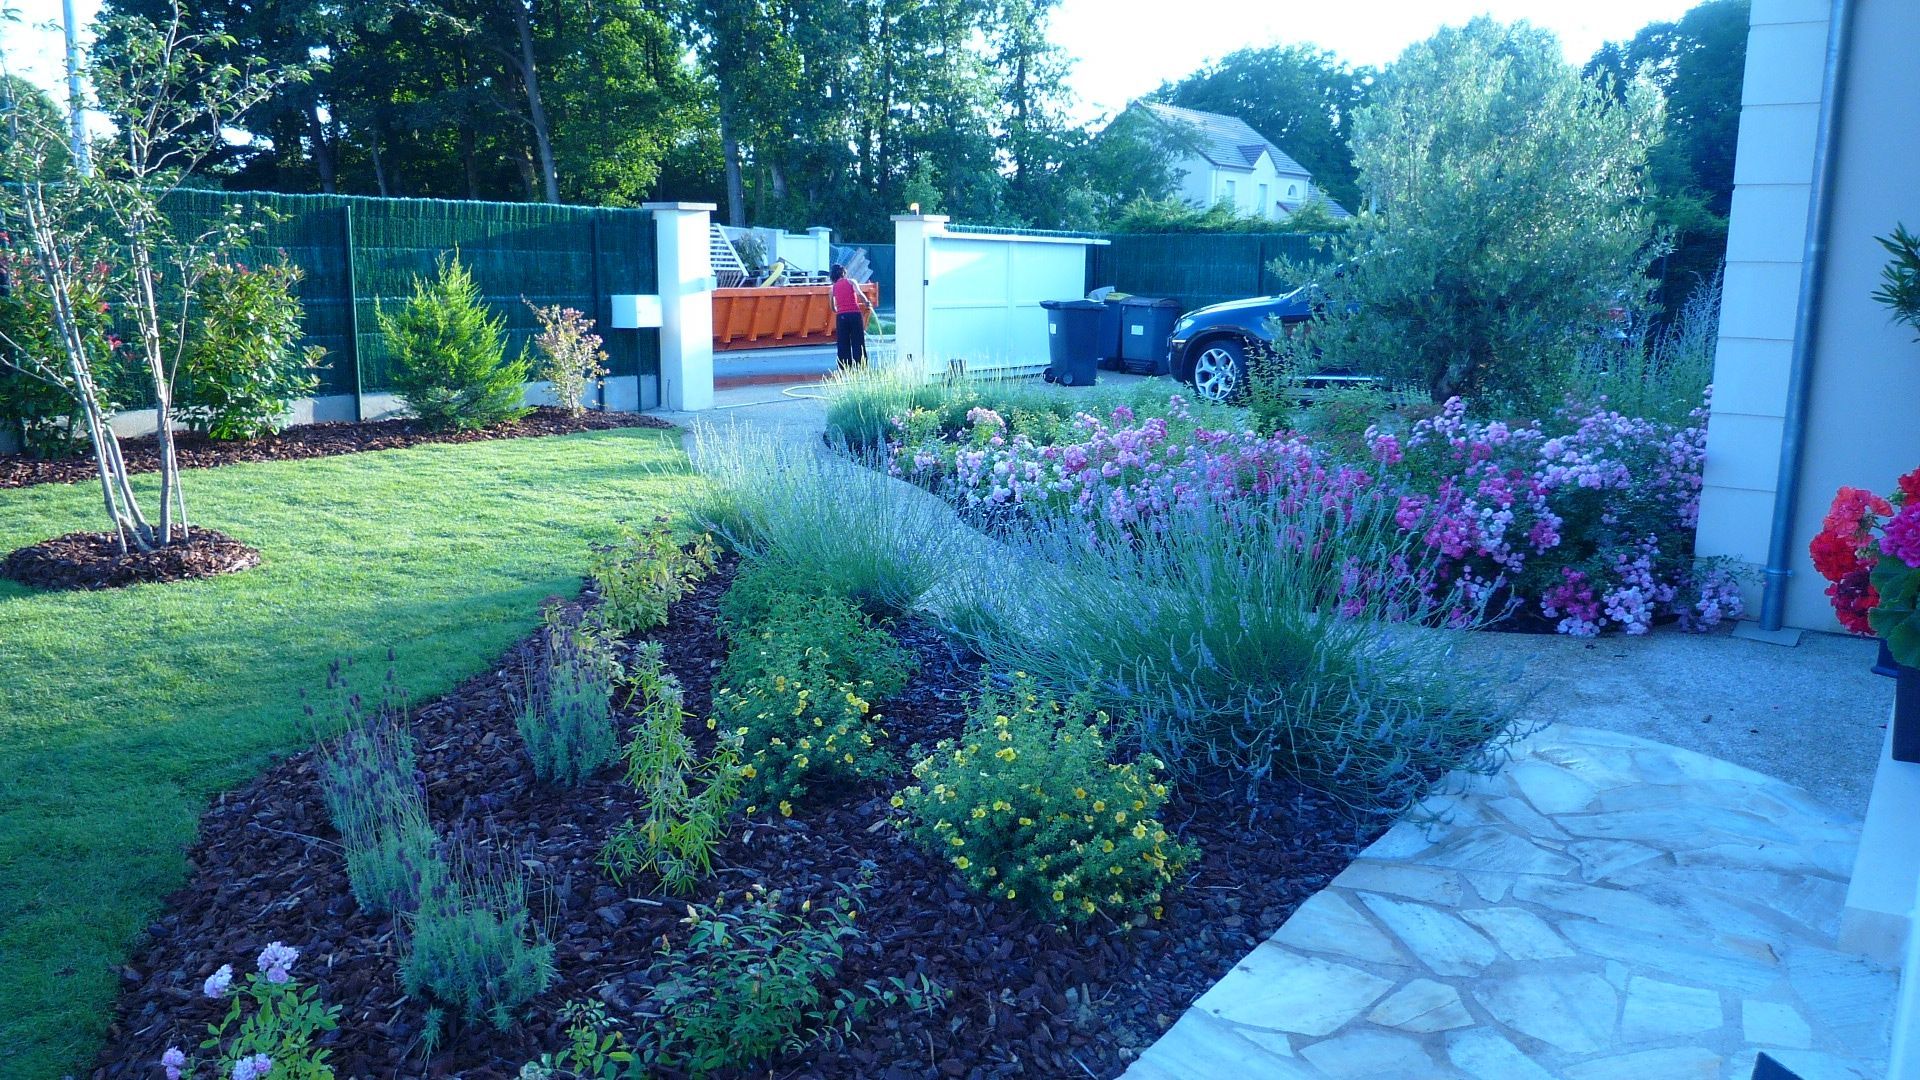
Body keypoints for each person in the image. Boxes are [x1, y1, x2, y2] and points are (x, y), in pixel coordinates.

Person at [829, 263, 874, 367]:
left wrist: (839, 310)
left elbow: (832, 307)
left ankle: (845, 365)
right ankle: (861, 364)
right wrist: (867, 303)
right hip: (854, 314)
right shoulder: (851, 282)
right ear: (843, 273)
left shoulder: (832, 289)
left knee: (843, 342)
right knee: (858, 340)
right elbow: (860, 294)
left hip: (841, 317)